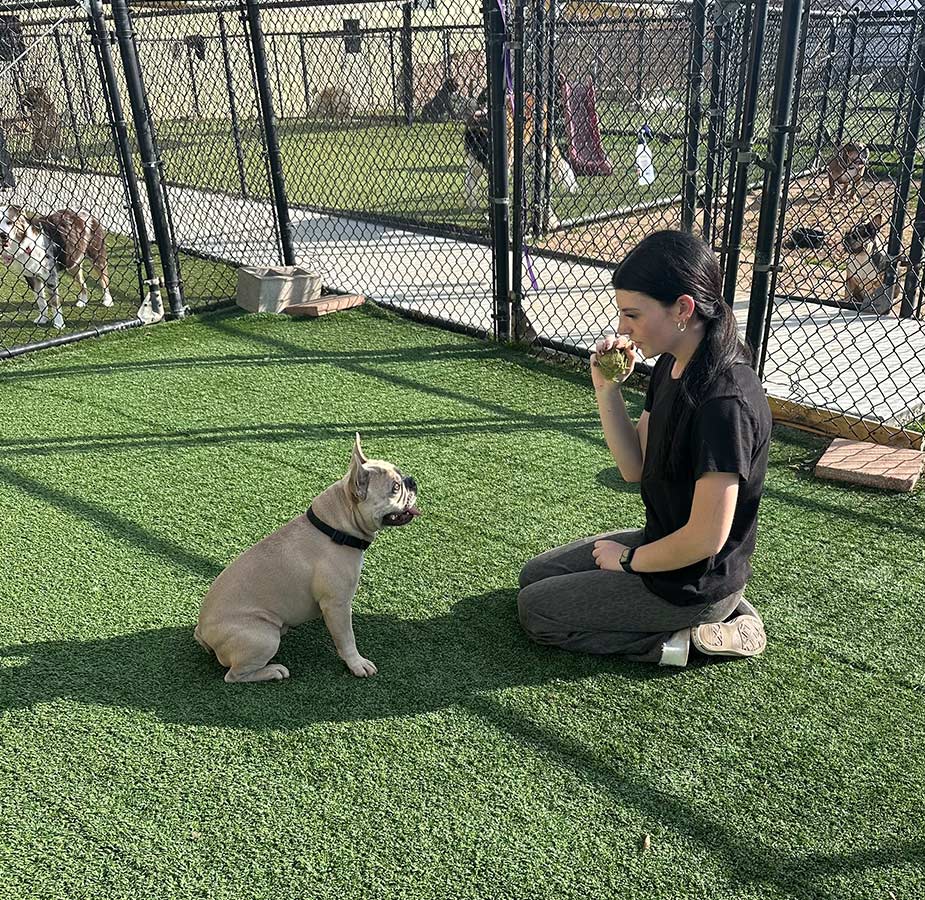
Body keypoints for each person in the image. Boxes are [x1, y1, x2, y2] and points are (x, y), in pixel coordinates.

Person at [517, 230, 772, 667]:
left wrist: (629, 560)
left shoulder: (725, 402)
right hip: (664, 544)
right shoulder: (673, 363)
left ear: (683, 309)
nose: (622, 328)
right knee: (533, 576)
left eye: (632, 314)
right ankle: (726, 613)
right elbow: (634, 467)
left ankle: (690, 638)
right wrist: (606, 388)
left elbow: (706, 538)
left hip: (692, 583)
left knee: (536, 610)